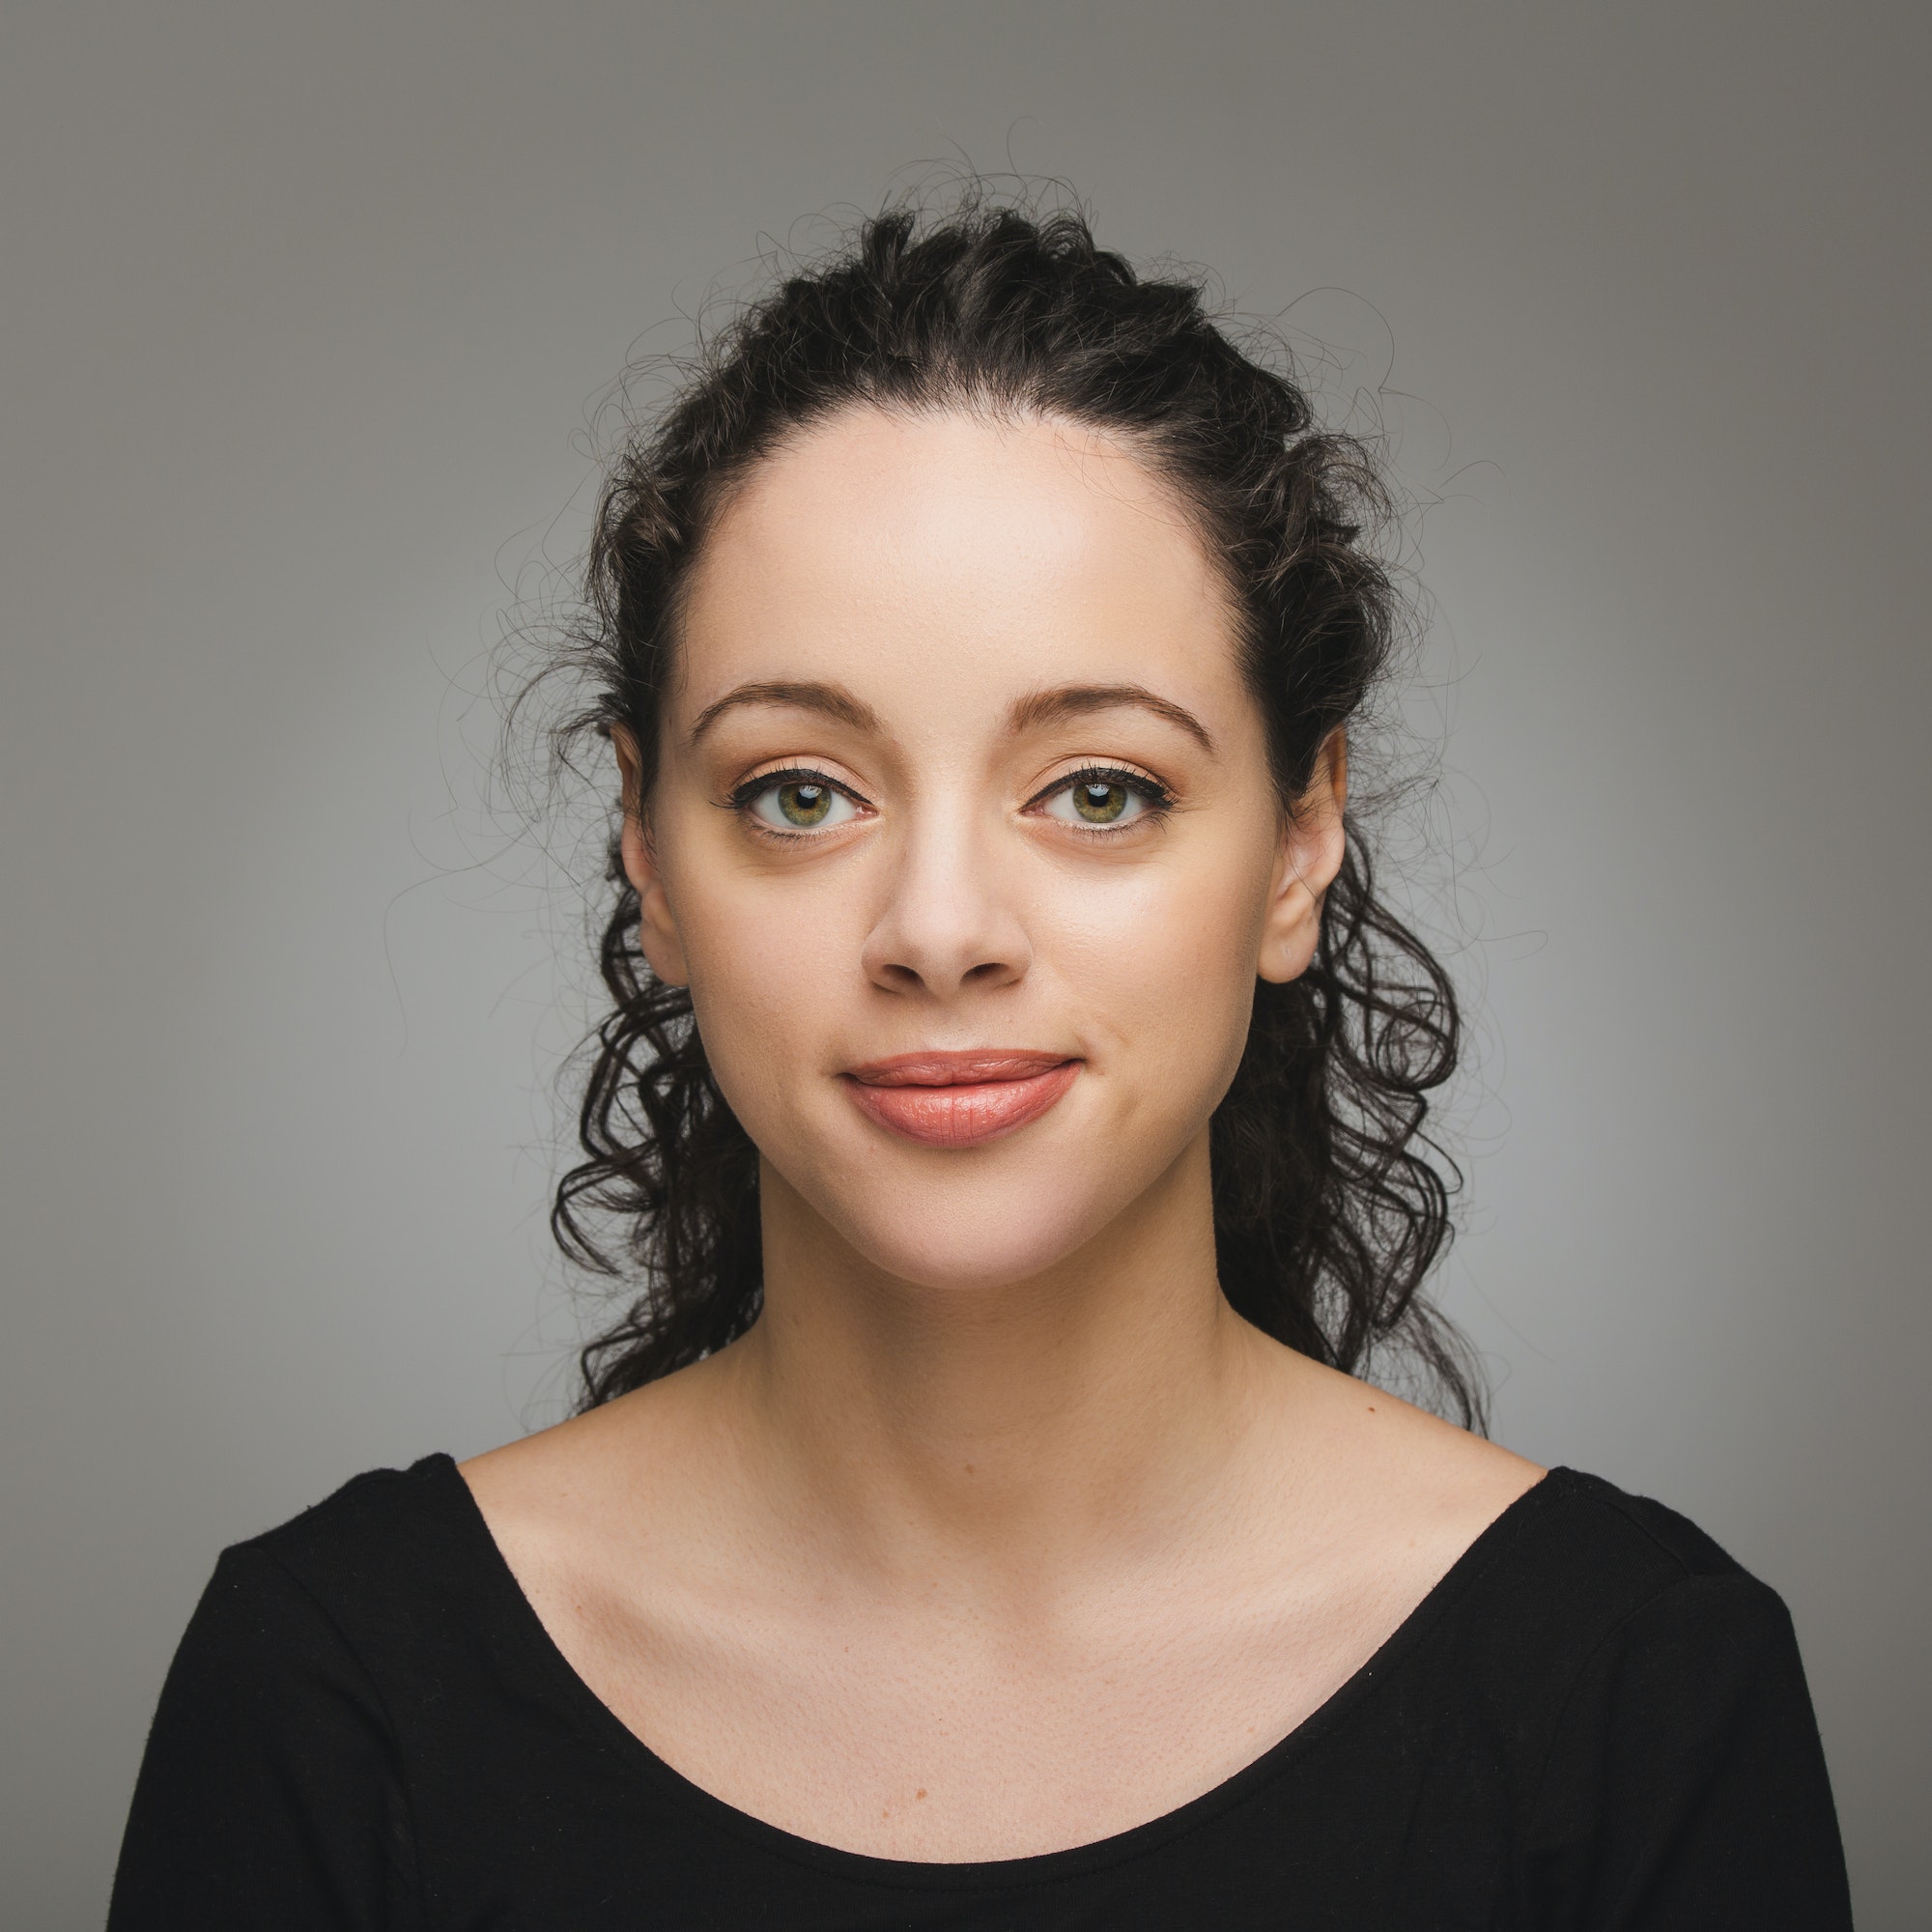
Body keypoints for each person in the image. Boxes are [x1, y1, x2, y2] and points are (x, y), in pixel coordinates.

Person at [107, 196, 1852, 1928]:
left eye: (1100, 789)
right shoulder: (329, 1690)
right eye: (801, 793)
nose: (939, 931)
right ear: (649, 855)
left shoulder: (1641, 1689)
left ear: (1299, 842)